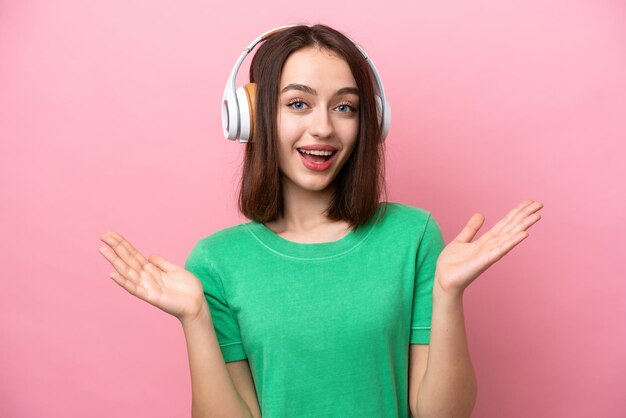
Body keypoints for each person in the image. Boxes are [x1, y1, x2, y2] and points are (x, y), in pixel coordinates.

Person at [98, 24, 543, 418]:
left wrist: (448, 293)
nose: (323, 128)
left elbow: (442, 415)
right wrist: (194, 317)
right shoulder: (216, 262)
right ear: (253, 118)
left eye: (345, 108)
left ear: (370, 121)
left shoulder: (415, 236)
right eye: (298, 104)